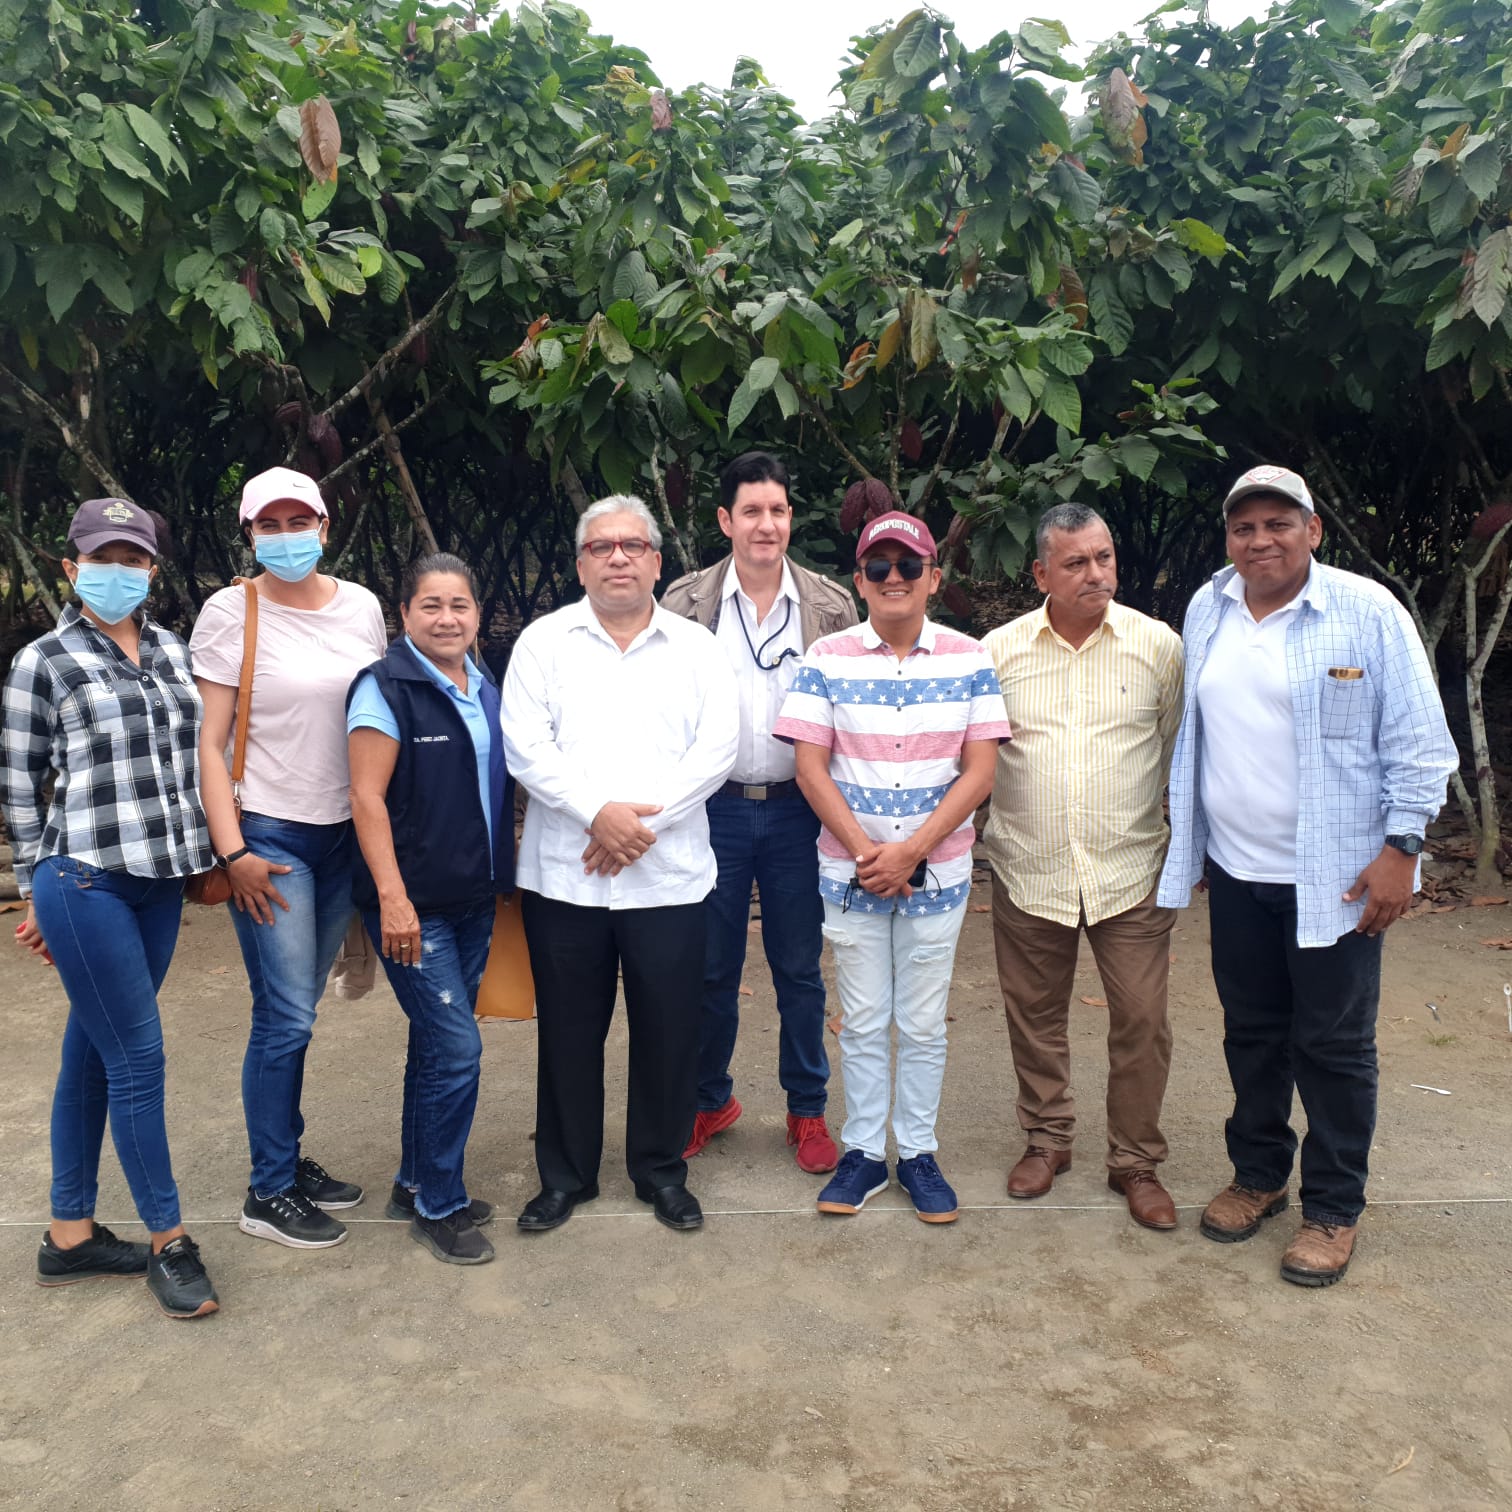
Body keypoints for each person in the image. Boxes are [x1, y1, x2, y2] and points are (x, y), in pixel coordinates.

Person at [1158, 464, 1457, 1285]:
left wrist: (1403, 849)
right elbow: (1203, 733)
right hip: (1237, 868)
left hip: (1338, 878)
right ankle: (1259, 1175)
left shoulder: (1366, 611)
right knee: (1252, 1033)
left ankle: (1333, 1207)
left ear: (1313, 530)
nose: (1261, 540)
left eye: (1278, 524)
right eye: (1245, 527)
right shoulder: (1209, 606)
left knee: (1332, 1044)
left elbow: (1420, 742)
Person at [1, 497, 219, 1319]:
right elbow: (19, 780)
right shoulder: (43, 661)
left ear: (152, 570)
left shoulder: (173, 649)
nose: (118, 573)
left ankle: (70, 1236)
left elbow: (194, 758)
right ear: (71, 567)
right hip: (84, 877)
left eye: (134, 559)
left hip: (159, 880)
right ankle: (170, 1240)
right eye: (102, 559)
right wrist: (34, 888)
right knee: (138, 1058)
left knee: (92, 1052)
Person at [500, 496, 739, 1234]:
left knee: (669, 1031)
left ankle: (661, 1171)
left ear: (657, 562)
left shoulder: (698, 648)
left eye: (633, 546)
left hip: (668, 878)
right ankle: (565, 1177)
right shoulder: (543, 643)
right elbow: (524, 746)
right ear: (580, 564)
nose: (618, 558)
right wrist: (596, 813)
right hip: (566, 877)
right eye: (601, 547)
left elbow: (717, 750)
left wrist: (639, 825)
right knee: (568, 1034)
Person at [775, 511, 1010, 1223]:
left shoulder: (970, 658)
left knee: (924, 1022)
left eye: (909, 566)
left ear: (934, 577)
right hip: (851, 878)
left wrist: (912, 851)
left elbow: (980, 771)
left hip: (936, 874)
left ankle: (917, 1153)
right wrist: (866, 852)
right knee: (865, 1018)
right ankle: (863, 1154)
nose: (894, 578)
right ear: (859, 581)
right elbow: (810, 767)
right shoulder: (826, 658)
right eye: (879, 567)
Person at [191, 466, 387, 1250]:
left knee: (295, 1010)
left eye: (297, 521)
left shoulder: (362, 607)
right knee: (284, 1015)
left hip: (344, 836)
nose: (284, 536)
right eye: (267, 525)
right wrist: (231, 850)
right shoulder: (229, 611)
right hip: (271, 840)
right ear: (249, 534)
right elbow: (209, 742)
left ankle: (286, 1156)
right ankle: (267, 1189)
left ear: (324, 527)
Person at [982, 504, 1185, 1230]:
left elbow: (1174, 748)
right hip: (1028, 866)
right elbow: (977, 756)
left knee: (1143, 1021)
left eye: (1104, 558)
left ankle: (1135, 1162)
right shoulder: (998, 652)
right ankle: (1047, 1140)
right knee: (1035, 1018)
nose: (1095, 573)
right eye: (1075, 563)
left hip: (1129, 870)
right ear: (1041, 574)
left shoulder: (1158, 647)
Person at [661, 452, 857, 1174]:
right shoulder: (685, 603)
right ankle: (708, 1100)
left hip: (799, 812)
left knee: (798, 968)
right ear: (725, 520)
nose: (765, 524)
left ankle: (807, 1109)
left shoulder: (830, 606)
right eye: (751, 511)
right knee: (710, 967)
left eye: (776, 510)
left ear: (790, 518)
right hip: (712, 811)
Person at [346, 554, 514, 1266]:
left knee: (434, 1044)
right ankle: (440, 1206)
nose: (447, 619)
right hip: (413, 908)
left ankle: (414, 1182)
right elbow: (365, 797)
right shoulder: (384, 687)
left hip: (474, 898)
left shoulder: (483, 683)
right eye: (431, 606)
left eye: (459, 605)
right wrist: (392, 898)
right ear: (404, 615)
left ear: (477, 613)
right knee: (457, 1049)